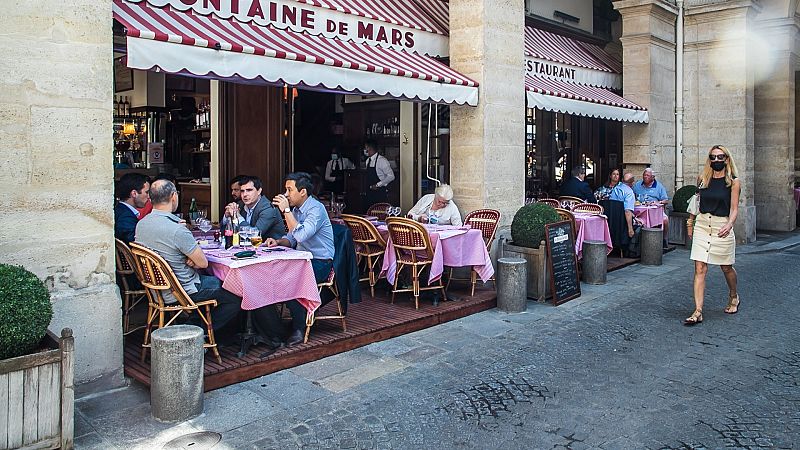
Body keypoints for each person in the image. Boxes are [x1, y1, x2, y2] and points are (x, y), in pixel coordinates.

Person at [134, 179, 241, 332]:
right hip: (183, 289)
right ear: (173, 196)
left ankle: (192, 324)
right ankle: (196, 331)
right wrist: (191, 256)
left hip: (157, 289)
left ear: (151, 198)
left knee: (218, 282)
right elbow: (203, 263)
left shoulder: (142, 224)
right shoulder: (177, 230)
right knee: (235, 293)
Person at [265, 172, 335, 346]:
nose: (286, 194)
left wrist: (286, 211)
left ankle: (299, 327)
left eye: (289, 190)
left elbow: (302, 235)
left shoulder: (316, 209)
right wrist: (278, 241)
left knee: (291, 280)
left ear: (302, 192)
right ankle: (277, 324)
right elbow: (292, 237)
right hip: (302, 260)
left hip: (321, 261)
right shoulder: (296, 210)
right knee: (274, 275)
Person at [684, 145, 741, 325]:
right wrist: (690, 222)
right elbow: (696, 201)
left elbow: (734, 209)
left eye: (720, 157)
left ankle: (734, 295)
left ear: (727, 159)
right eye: (713, 157)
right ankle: (698, 310)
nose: (716, 160)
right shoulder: (702, 178)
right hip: (702, 224)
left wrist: (730, 224)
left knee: (726, 267)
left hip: (721, 226)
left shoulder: (733, 181)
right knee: (700, 268)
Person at [222, 175, 285, 240]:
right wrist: (226, 217)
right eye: (242, 191)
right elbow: (223, 233)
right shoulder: (240, 205)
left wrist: (238, 216)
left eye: (249, 190)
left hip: (272, 248)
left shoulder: (268, 209)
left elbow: (255, 236)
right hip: (247, 247)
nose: (245, 194)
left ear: (259, 191)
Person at [633, 168, 670, 248]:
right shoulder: (638, 185)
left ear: (653, 177)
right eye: (644, 175)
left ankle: (664, 239)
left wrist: (658, 202)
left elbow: (666, 200)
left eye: (647, 175)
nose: (645, 177)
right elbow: (632, 196)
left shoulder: (659, 186)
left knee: (665, 220)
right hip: (640, 211)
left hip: (655, 211)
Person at [114, 173, 150, 244]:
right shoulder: (125, 217)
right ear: (134, 193)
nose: (148, 196)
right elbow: (135, 243)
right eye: (146, 192)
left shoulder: (121, 210)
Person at [363, 139, 395, 208]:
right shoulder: (367, 161)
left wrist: (378, 185)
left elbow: (391, 176)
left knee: (379, 213)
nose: (365, 150)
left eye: (366, 148)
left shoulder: (382, 161)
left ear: (370, 148)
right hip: (369, 193)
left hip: (379, 193)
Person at [609, 172, 637, 239]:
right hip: (623, 222)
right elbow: (627, 211)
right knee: (642, 223)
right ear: (632, 183)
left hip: (612, 221)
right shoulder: (629, 193)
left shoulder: (616, 189)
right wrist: (630, 229)